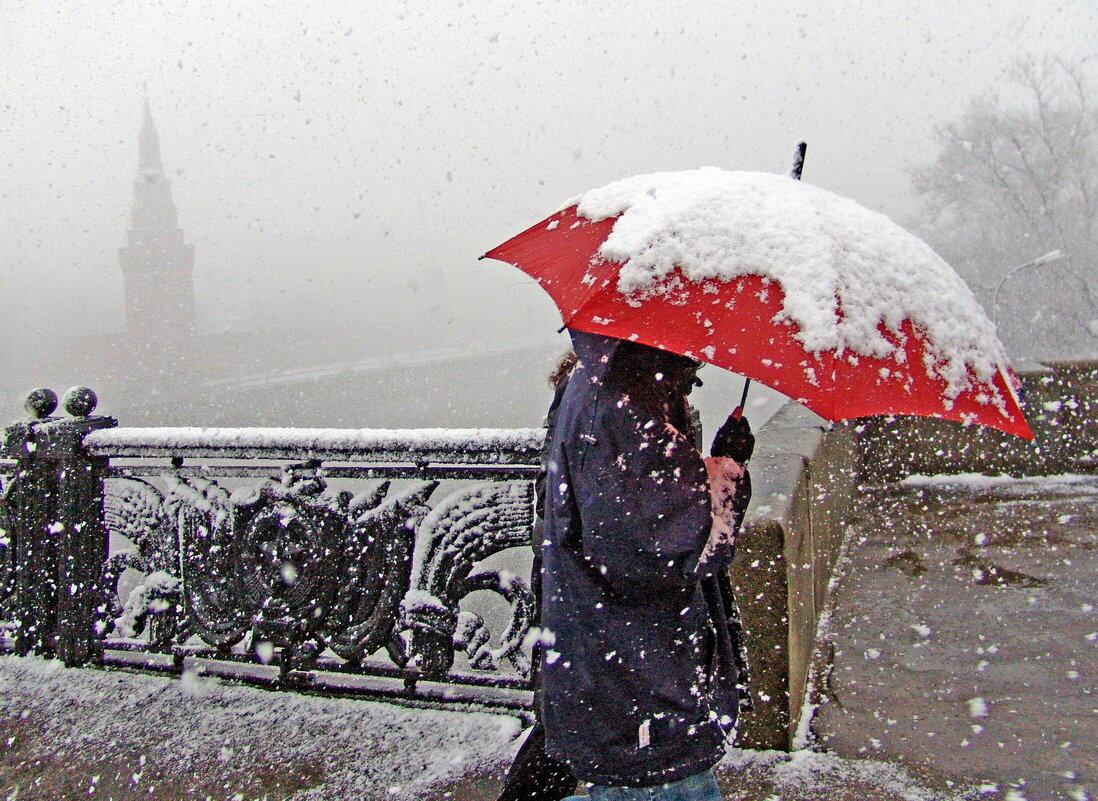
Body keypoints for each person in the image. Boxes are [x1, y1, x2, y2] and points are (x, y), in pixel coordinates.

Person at [540, 331, 753, 801]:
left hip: (617, 667)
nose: (700, 365)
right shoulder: (626, 398)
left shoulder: (601, 382)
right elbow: (672, 551)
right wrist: (729, 474)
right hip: (644, 684)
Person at [496, 350, 580, 801]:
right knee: (565, 732)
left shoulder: (584, 386)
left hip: (568, 588)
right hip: (587, 599)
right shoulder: (603, 395)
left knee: (564, 724)